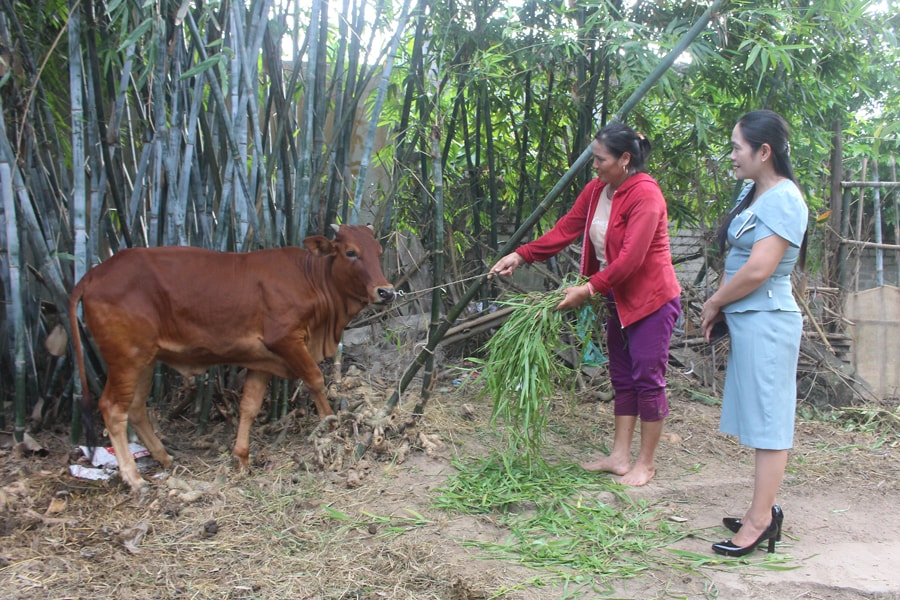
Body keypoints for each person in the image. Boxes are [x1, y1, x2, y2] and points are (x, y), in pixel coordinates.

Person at [491, 122, 682, 486]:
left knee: (648, 380)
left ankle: (646, 463)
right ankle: (619, 457)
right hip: (616, 298)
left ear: (624, 159)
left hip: (651, 302)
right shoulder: (597, 190)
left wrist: (589, 289)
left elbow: (630, 260)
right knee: (623, 377)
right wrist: (521, 255)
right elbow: (565, 229)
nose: (594, 166)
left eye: (600, 159)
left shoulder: (646, 195)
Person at [700, 109, 808, 557]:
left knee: (769, 423)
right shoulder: (754, 193)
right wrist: (725, 307)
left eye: (736, 147)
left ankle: (761, 521)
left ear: (764, 152)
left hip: (768, 320)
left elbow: (760, 268)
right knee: (759, 418)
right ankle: (758, 511)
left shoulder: (784, 198)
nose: (731, 155)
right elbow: (739, 257)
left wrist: (715, 302)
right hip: (750, 320)